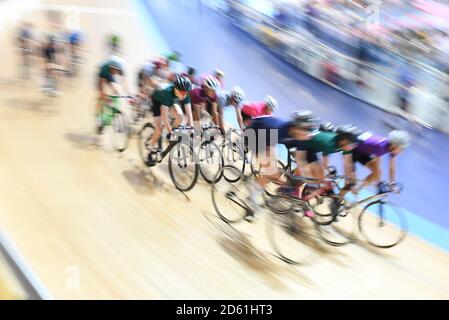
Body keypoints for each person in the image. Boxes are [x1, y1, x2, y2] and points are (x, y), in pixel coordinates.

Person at [243, 111, 318, 220]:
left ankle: (259, 185)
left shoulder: (297, 136)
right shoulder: (278, 129)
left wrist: (305, 178)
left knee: (277, 172)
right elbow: (268, 151)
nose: (309, 134)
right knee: (271, 172)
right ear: (298, 128)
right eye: (307, 130)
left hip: (268, 137)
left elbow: (301, 160)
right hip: (255, 134)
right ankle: (252, 195)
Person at [344, 130, 411, 193]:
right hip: (352, 150)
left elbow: (392, 167)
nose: (402, 151)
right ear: (394, 145)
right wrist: (379, 183)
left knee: (377, 174)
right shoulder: (380, 147)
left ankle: (357, 188)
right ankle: (340, 197)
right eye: (402, 148)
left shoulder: (392, 148)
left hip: (363, 152)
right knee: (351, 182)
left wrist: (392, 183)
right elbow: (377, 166)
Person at [145, 74, 193, 162]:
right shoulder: (168, 92)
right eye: (182, 92)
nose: (184, 95)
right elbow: (164, 115)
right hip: (157, 101)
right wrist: (170, 131)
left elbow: (189, 113)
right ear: (176, 88)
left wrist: (192, 129)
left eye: (186, 92)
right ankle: (150, 147)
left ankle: (169, 136)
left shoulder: (185, 94)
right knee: (159, 129)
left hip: (169, 102)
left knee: (180, 117)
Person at [96, 55, 131, 133]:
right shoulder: (105, 69)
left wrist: (128, 95)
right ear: (111, 67)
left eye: (117, 71)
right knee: (102, 96)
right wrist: (103, 96)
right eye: (115, 70)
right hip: (102, 76)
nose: (116, 72)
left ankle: (113, 108)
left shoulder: (120, 68)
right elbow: (101, 85)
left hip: (109, 76)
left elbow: (125, 82)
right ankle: (98, 119)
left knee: (117, 90)